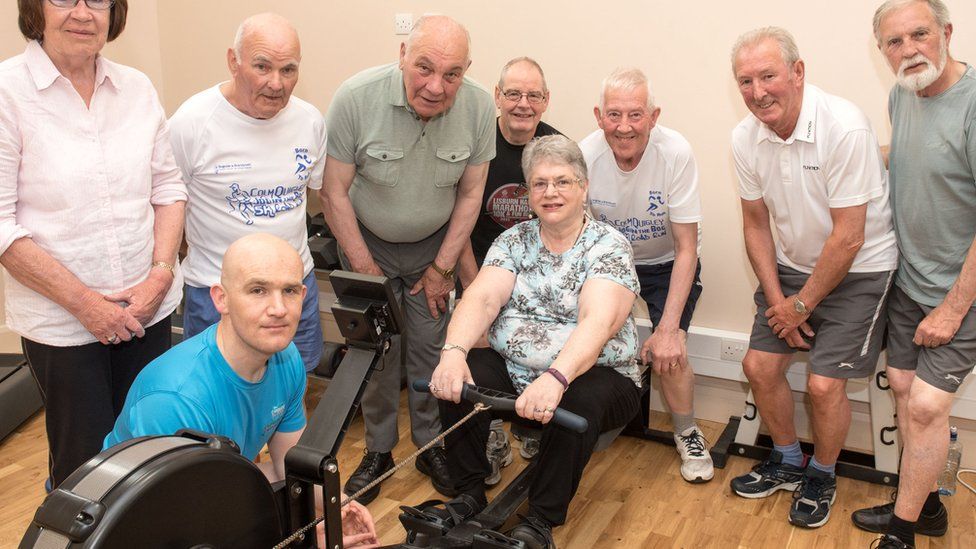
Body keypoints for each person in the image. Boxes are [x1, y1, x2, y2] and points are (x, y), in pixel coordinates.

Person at [0, 0, 185, 489]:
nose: (83, 12)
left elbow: (168, 191)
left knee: (149, 456)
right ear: (34, 8)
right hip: (63, 326)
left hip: (149, 310)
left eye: (97, 0)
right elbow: (1, 226)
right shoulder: (7, 92)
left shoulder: (136, 88)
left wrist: (160, 276)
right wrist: (86, 304)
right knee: (84, 473)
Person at [425, 134, 641, 549]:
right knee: (462, 377)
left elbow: (597, 322)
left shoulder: (608, 246)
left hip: (597, 375)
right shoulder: (513, 241)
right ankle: (468, 493)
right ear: (529, 193)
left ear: (583, 187)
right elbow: (483, 297)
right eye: (540, 183)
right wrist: (452, 354)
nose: (551, 192)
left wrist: (557, 377)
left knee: (578, 397)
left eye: (562, 181)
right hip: (519, 372)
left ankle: (541, 519)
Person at [104, 233, 377, 548]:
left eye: (289, 291)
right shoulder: (177, 398)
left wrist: (340, 506)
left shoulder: (286, 359)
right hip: (140, 528)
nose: (278, 309)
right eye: (258, 290)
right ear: (221, 299)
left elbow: (287, 466)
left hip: (216, 492)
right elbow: (188, 526)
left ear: (303, 295)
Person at [728, 27, 899, 528]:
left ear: (798, 74)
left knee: (824, 387)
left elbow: (849, 238)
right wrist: (781, 299)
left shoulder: (844, 126)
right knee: (759, 367)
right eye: (745, 81)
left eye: (768, 76)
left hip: (863, 269)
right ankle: (786, 459)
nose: (758, 92)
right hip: (793, 269)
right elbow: (756, 224)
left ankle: (822, 473)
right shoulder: (744, 137)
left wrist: (799, 306)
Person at [320, 15, 496, 503]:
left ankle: (429, 445)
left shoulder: (480, 106)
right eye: (424, 68)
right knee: (376, 353)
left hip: (433, 248)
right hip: (365, 243)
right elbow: (332, 192)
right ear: (402, 54)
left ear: (467, 71)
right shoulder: (355, 97)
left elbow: (471, 193)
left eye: (452, 74)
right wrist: (364, 268)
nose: (436, 87)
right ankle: (378, 449)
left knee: (431, 349)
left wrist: (443, 268)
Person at [853, 2, 976, 547]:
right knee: (903, 388)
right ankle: (924, 509)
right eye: (894, 42)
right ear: (882, 51)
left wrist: (953, 308)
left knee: (926, 406)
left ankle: (901, 534)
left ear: (946, 33)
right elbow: (909, 158)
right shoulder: (901, 93)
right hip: (910, 280)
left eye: (919, 35)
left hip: (963, 288)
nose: (909, 51)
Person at [169, 12, 326, 372]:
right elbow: (165, 207)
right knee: (215, 400)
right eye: (262, 67)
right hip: (218, 293)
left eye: (288, 70)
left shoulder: (310, 121)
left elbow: (321, 194)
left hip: (293, 287)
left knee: (293, 387)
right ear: (233, 62)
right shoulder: (192, 123)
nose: (276, 83)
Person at [581, 67, 713, 483]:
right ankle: (568, 420)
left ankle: (687, 431)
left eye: (635, 115)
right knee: (583, 336)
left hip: (667, 261)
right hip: (608, 260)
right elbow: (578, 238)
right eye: (614, 115)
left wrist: (669, 327)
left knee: (670, 350)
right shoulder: (584, 155)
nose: (624, 127)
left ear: (654, 117)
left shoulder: (675, 152)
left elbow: (687, 246)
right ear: (599, 116)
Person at [458, 56, 563, 479]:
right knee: (482, 356)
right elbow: (459, 223)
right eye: (514, 94)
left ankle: (533, 423)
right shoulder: (477, 144)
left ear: (546, 101)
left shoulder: (556, 149)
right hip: (480, 273)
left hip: (538, 286)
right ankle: (493, 432)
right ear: (497, 97)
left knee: (541, 350)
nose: (523, 104)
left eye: (533, 95)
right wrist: (472, 290)